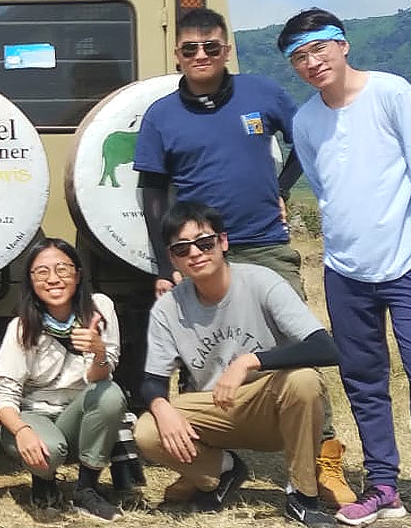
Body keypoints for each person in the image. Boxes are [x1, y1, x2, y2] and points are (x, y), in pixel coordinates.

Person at [134, 7, 355, 506]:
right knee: (197, 355)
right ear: (177, 54)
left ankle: (323, 461)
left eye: (211, 46)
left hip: (264, 243)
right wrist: (164, 264)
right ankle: (207, 462)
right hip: (197, 252)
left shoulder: (263, 94)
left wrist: (282, 187)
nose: (201, 55)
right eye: (191, 48)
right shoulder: (161, 116)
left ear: (226, 49)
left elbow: (305, 141)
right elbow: (152, 194)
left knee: (299, 358)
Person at [280, 9, 411, 528]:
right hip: (345, 272)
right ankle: (382, 488)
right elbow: (325, 190)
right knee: (363, 379)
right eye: (299, 57)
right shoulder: (305, 121)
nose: (311, 62)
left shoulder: (392, 93)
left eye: (318, 49)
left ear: (342, 44)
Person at [133, 201, 341, 527]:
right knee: (147, 430)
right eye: (182, 249)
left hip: (272, 405)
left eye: (205, 243)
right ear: (173, 258)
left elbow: (325, 347)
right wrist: (161, 408)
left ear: (223, 242)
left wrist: (250, 361)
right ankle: (223, 471)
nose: (196, 253)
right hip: (215, 408)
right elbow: (152, 380)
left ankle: (303, 495)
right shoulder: (168, 308)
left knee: (304, 381)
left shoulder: (262, 281)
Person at [0, 239, 125, 522]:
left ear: (77, 274)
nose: (53, 279)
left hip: (77, 413)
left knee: (110, 393)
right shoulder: (21, 326)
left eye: (62, 269)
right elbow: (5, 395)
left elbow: (99, 378)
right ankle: (44, 480)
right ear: (31, 280)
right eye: (42, 272)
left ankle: (86, 489)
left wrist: (98, 351)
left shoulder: (99, 308)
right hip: (34, 414)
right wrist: (22, 431)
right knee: (49, 451)